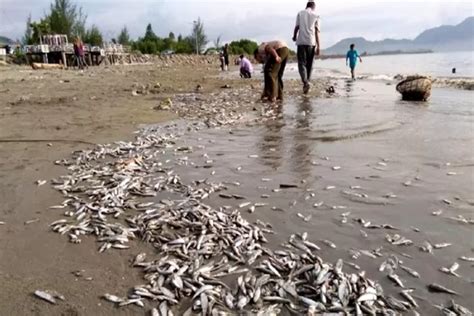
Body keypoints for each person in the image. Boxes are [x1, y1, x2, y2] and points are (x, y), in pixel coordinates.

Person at [293, 0, 321, 94]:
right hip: (311, 42)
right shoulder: (316, 15)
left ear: (307, 6)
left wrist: (294, 36)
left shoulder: (300, 13)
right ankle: (307, 81)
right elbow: (317, 31)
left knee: (302, 64)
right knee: (310, 65)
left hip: (301, 42)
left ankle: (305, 82)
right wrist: (319, 46)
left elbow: (297, 27)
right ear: (314, 7)